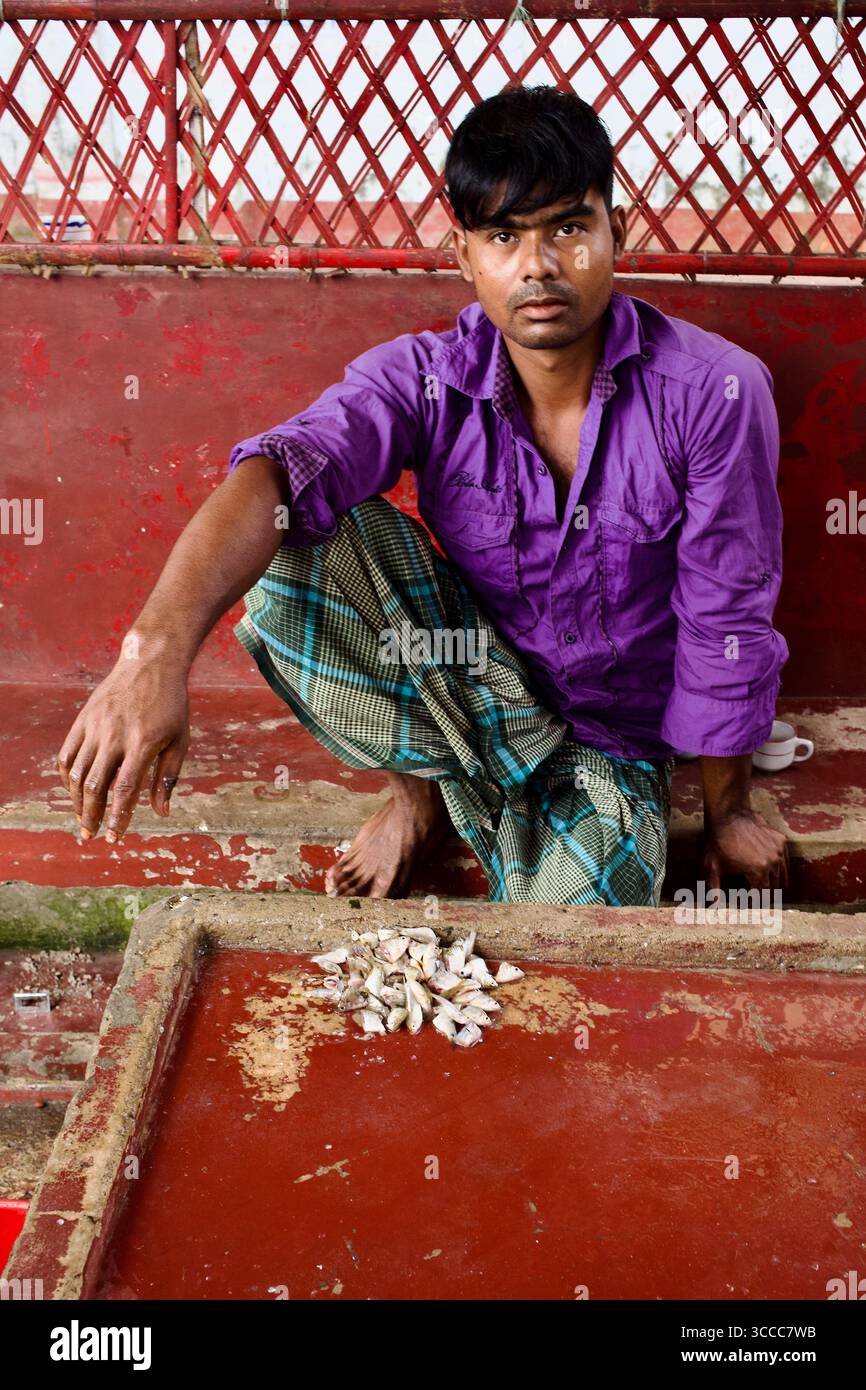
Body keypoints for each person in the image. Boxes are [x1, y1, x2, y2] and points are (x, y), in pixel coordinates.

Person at [57, 85, 790, 906]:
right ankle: (419, 796)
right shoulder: (424, 378)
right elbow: (277, 470)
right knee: (292, 552)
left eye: (569, 229)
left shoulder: (715, 391)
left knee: (577, 936)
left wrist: (730, 811)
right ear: (464, 254)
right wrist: (151, 655)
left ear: (620, 233)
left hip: (613, 740)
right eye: (504, 236)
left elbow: (727, 614)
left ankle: (528, 812)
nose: (538, 266)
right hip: (473, 680)